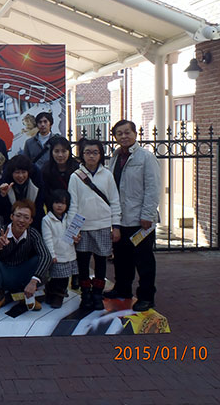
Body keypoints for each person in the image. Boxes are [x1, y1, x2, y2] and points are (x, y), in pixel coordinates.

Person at [106, 120, 161, 312]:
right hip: (121, 219)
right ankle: (122, 288)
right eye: (119, 133)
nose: (124, 136)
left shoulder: (146, 157)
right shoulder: (115, 157)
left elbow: (153, 188)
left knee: (144, 260)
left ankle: (146, 297)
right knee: (122, 258)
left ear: (135, 134)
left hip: (141, 220)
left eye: (127, 132)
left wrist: (147, 214)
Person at [68, 139, 121, 310]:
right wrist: (73, 231)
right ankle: (85, 294)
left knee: (100, 263)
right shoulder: (75, 177)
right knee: (83, 263)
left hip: (103, 226)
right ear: (82, 155)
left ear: (100, 154)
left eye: (95, 152)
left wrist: (116, 226)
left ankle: (97, 294)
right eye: (87, 152)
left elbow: (115, 201)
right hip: (83, 227)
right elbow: (73, 205)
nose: (91, 156)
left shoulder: (107, 175)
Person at [0, 199, 52, 312]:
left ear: (31, 220)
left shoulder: (33, 233)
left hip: (22, 272)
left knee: (39, 259)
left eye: (26, 217)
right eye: (18, 216)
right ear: (11, 216)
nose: (21, 220)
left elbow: (46, 256)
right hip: (3, 273)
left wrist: (34, 281)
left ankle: (26, 295)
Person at [41, 136, 80, 289]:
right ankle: (58, 276)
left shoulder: (77, 168)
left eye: (64, 151)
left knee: (75, 242)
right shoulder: (46, 170)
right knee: (59, 242)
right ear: (52, 153)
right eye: (56, 151)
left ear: (69, 152)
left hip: (75, 209)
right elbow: (44, 193)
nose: (60, 155)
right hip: (56, 211)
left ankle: (76, 275)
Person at [42, 189, 79, 308]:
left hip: (69, 254)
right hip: (56, 255)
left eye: (63, 203)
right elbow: (47, 239)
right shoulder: (47, 220)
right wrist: (52, 254)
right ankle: (51, 292)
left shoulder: (69, 219)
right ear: (51, 203)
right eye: (57, 202)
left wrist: (76, 238)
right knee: (55, 277)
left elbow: (73, 235)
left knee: (64, 279)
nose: (59, 206)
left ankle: (59, 296)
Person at [0, 154, 45, 232]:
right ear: (11, 173)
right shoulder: (4, 183)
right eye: (17, 172)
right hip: (10, 224)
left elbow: (39, 206)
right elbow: (0, 211)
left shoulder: (37, 181)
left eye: (23, 172)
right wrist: (3, 196)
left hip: (33, 222)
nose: (21, 176)